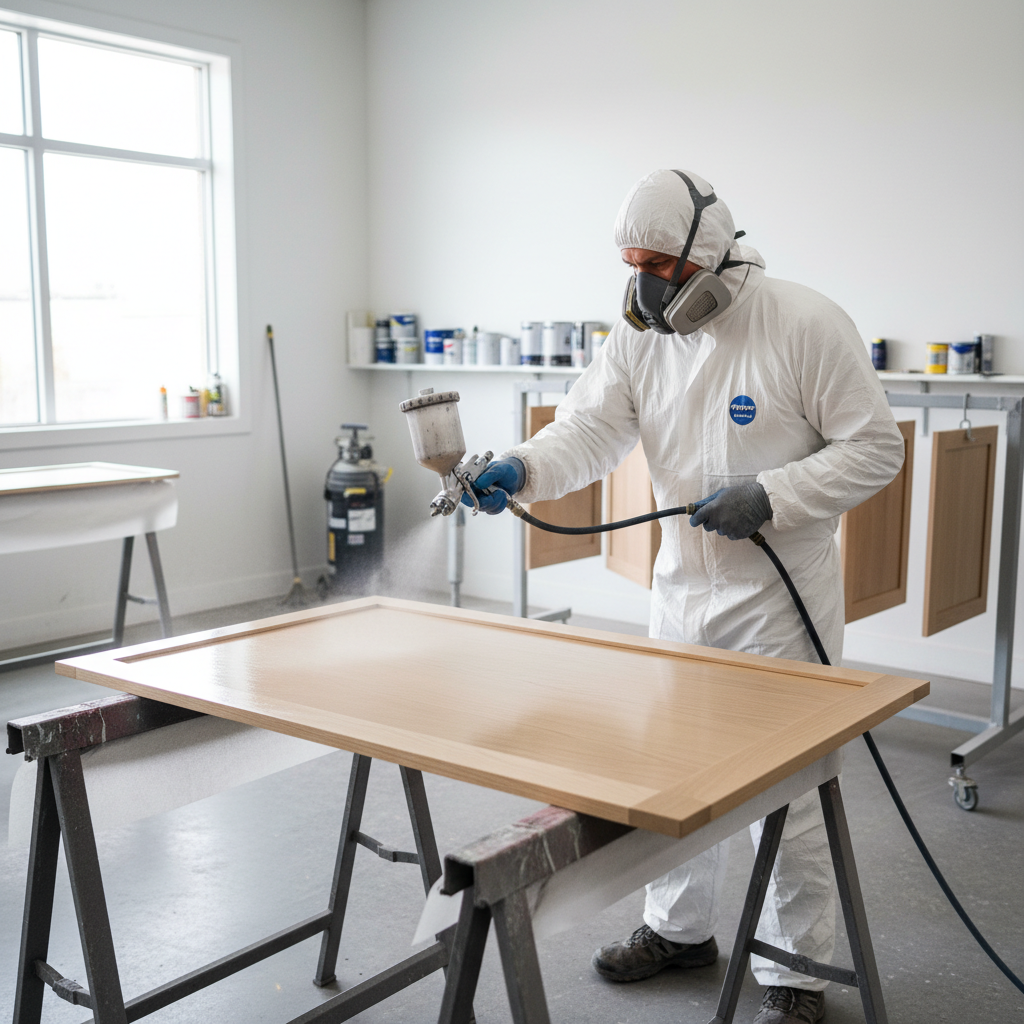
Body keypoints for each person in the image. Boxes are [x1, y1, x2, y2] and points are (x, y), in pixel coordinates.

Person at [464, 169, 905, 1024]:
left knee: (790, 791)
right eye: (633, 264)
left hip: (781, 603)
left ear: (709, 256)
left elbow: (875, 447)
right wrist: (524, 467)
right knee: (673, 777)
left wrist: (772, 496)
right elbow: (592, 429)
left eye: (660, 266)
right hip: (680, 594)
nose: (646, 287)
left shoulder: (804, 323)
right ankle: (678, 930)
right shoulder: (640, 336)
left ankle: (796, 972)